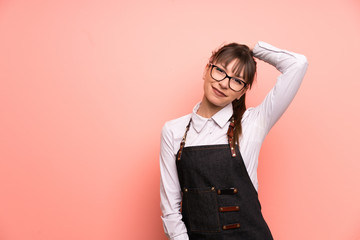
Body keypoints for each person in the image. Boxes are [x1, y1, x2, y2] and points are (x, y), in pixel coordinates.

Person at [159, 41, 308, 240]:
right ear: (207, 69)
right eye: (220, 70)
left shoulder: (252, 124)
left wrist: (251, 52)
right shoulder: (173, 131)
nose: (223, 83)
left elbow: (298, 64)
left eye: (237, 80)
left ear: (243, 91)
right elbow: (170, 211)